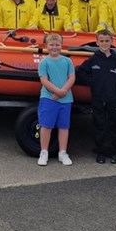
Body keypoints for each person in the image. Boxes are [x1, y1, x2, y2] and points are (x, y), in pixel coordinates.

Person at [75, 29, 116, 164]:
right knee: (99, 125)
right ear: (97, 42)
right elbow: (79, 72)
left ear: (112, 42)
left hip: (113, 98)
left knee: (115, 126)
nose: (104, 43)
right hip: (98, 98)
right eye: (101, 41)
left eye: (107, 41)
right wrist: (92, 82)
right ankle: (101, 152)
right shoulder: (93, 59)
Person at [36, 33, 74, 166]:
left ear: (61, 45)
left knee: (64, 126)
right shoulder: (44, 62)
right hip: (49, 97)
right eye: (51, 45)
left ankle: (62, 152)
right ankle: (44, 152)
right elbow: (44, 80)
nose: (54, 47)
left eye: (57, 45)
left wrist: (63, 91)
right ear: (46, 46)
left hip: (66, 98)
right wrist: (57, 91)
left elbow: (71, 77)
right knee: (46, 125)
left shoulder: (67, 61)